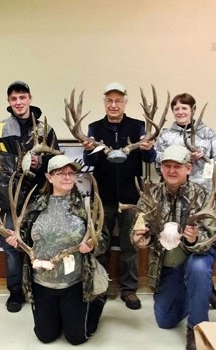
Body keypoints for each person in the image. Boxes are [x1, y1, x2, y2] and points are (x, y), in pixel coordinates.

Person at [154, 93, 216, 310]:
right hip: (173, 196)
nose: (180, 112)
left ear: (192, 110)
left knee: (201, 241)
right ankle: (177, 288)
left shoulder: (208, 133)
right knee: (176, 240)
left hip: (201, 198)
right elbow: (159, 162)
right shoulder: (166, 135)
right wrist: (181, 160)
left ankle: (205, 286)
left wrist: (207, 158)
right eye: (176, 108)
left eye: (184, 108)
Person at [5, 155, 107, 345]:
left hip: (75, 283)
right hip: (42, 283)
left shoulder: (86, 207)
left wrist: (93, 245)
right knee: (45, 336)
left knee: (76, 338)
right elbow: (26, 243)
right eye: (60, 173)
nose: (67, 177)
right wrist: (16, 241)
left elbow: (104, 240)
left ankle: (97, 303)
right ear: (49, 177)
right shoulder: (35, 207)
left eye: (71, 173)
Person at [0, 80, 59, 313]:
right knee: (12, 248)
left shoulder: (45, 129)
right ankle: (15, 291)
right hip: (9, 197)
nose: (18, 102)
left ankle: (37, 288)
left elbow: (55, 159)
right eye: (13, 99)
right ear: (9, 102)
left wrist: (39, 161)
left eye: (22, 97)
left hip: (38, 196)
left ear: (30, 98)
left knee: (39, 243)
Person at [131, 144, 216, 350]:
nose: (171, 170)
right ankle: (201, 292)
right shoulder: (149, 196)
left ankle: (196, 328)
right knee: (164, 321)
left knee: (198, 270)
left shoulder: (203, 194)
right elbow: (137, 231)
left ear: (188, 168)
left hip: (196, 255)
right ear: (160, 168)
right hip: (168, 262)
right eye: (167, 165)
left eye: (177, 166)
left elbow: (214, 235)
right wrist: (140, 239)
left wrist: (196, 238)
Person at [81, 82, 155, 310]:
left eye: (118, 101)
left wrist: (148, 148)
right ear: (104, 103)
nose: (114, 105)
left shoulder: (138, 126)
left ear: (124, 103)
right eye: (110, 101)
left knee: (129, 246)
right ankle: (101, 287)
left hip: (131, 198)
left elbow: (149, 159)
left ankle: (129, 290)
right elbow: (90, 162)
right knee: (100, 246)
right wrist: (87, 150)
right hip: (102, 198)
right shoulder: (94, 128)